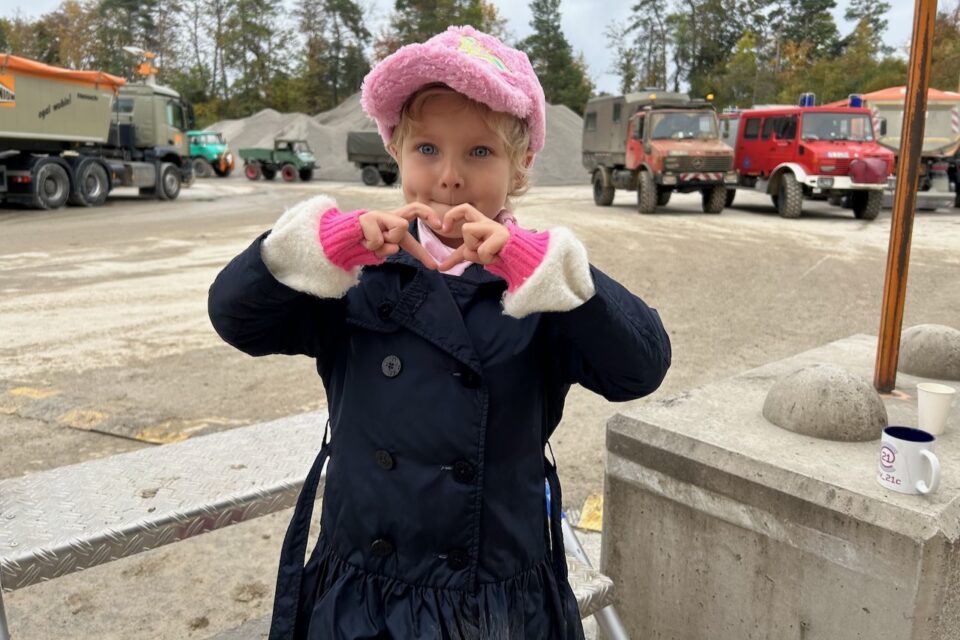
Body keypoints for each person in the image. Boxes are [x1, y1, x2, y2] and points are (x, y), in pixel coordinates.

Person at [208, 25, 670, 640]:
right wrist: (324, 245)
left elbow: (641, 367)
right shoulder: (359, 277)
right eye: (427, 149)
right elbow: (235, 317)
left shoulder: (540, 285)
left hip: (496, 598)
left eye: (479, 153)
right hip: (360, 593)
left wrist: (541, 265)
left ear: (522, 163)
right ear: (396, 152)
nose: (449, 177)